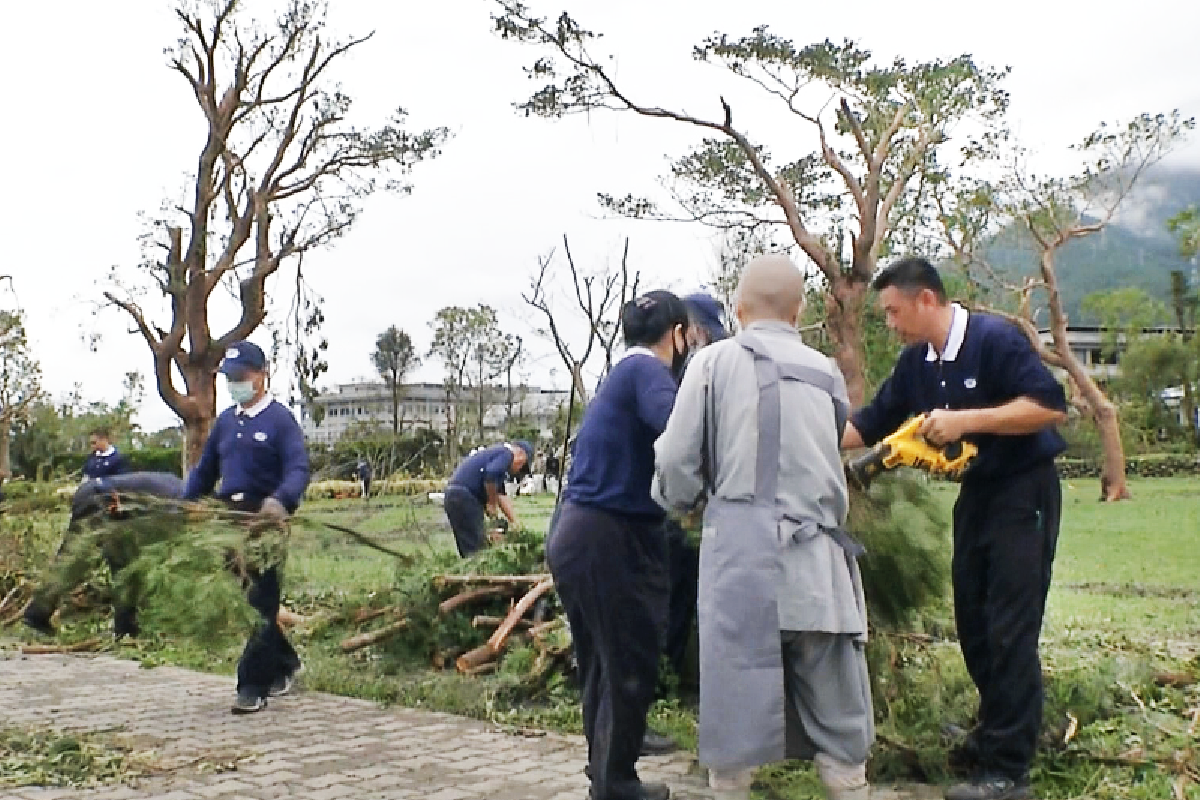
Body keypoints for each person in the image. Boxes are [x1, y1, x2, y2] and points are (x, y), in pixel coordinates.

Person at [842, 257, 1067, 800]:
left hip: (1023, 491)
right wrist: (803, 443)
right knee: (973, 619)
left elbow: (1048, 407)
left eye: (894, 312)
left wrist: (967, 421)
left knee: (1011, 626)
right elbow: (867, 424)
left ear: (926, 300)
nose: (890, 323)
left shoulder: (995, 340)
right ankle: (995, 732)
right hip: (978, 496)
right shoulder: (916, 364)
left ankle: (1009, 771)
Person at [653, 257, 872, 800]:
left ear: (739, 309)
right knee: (840, 720)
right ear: (799, 312)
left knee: (733, 725)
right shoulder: (825, 372)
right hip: (820, 565)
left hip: (741, 567)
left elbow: (678, 461)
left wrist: (684, 503)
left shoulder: (712, 363)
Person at [548, 290, 690, 800]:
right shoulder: (648, 372)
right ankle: (616, 782)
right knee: (630, 658)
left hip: (580, 532)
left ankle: (606, 774)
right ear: (677, 333)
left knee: (605, 662)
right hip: (612, 535)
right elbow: (678, 435)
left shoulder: (620, 371)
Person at [183, 340, 310, 715]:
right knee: (249, 602)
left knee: (262, 601)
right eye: (230, 378)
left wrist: (280, 500)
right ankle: (285, 662)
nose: (234, 383)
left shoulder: (280, 421)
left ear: (261, 375)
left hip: (265, 521)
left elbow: (299, 468)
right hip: (229, 520)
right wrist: (186, 502)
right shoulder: (226, 422)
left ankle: (251, 685)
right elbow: (205, 471)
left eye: (241, 376)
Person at [657, 292, 729, 686]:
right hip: (699, 500)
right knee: (682, 587)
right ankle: (675, 673)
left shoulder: (703, 366)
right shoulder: (699, 363)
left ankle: (674, 672)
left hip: (695, 500)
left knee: (682, 587)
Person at [24, 471, 186, 639]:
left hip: (101, 497)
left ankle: (125, 628)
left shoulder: (176, 487)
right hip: (99, 498)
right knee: (81, 561)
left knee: (112, 564)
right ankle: (37, 615)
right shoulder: (178, 500)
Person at [443, 440, 532, 557]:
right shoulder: (506, 453)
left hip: (453, 495)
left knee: (469, 545)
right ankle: (477, 573)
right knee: (477, 550)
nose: (518, 471)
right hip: (464, 496)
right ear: (520, 454)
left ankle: (471, 571)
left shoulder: (494, 458)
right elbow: (491, 475)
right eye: (521, 466)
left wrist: (515, 523)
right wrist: (491, 503)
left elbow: (501, 495)